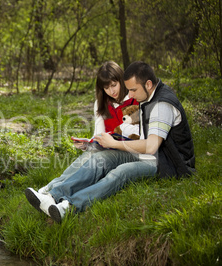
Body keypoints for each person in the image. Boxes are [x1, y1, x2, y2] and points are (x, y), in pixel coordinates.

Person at [25, 61, 195, 223]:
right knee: (98, 159)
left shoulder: (162, 105)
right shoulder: (147, 97)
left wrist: (115, 143)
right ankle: (52, 196)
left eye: (133, 90)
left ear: (148, 85)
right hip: (141, 153)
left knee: (120, 173)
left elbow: (151, 147)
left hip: (165, 162)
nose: (131, 95)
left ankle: (68, 206)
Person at [26, 60, 138, 215]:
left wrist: (111, 141)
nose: (111, 91)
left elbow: (136, 135)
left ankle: (50, 192)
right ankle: (50, 191)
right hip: (108, 147)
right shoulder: (101, 103)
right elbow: (98, 135)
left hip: (128, 150)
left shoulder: (134, 100)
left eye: (114, 85)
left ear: (121, 80)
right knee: (89, 154)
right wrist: (87, 144)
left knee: (94, 158)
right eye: (106, 87)